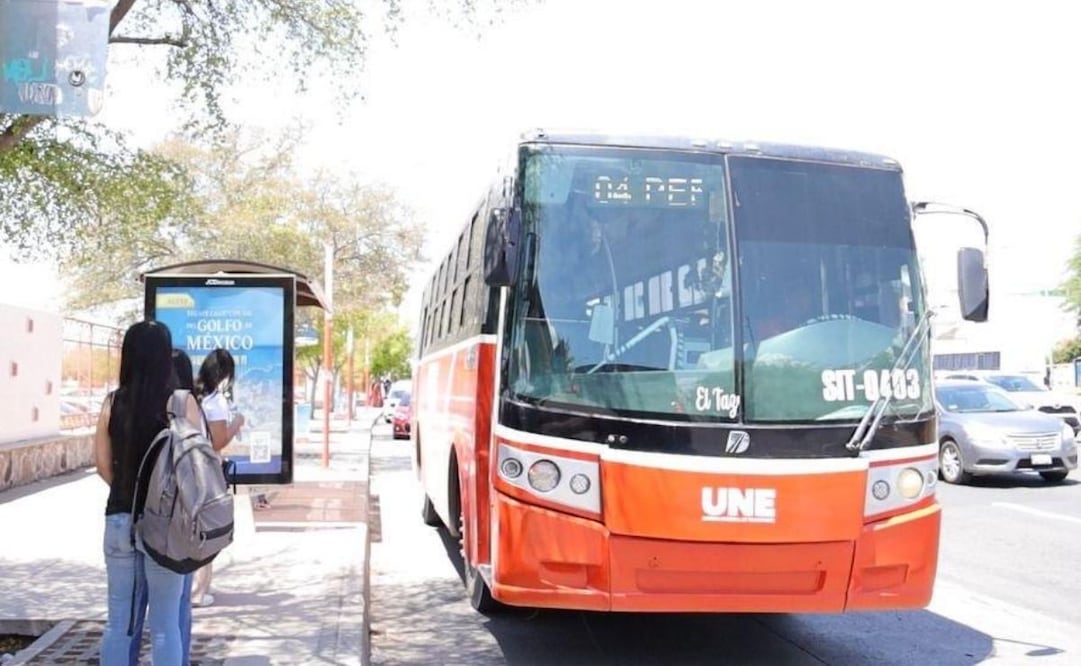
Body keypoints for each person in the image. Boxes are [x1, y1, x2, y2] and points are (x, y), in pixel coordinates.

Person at [95, 321, 196, 664]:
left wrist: (130, 492)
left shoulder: (113, 402)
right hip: (166, 527)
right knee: (166, 625)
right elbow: (196, 467)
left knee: (119, 621)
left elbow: (102, 465)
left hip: (120, 517)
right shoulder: (182, 403)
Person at [190, 348, 246, 608]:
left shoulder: (191, 394)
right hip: (207, 472)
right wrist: (237, 423)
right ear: (225, 375)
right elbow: (218, 441)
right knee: (207, 531)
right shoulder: (216, 401)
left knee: (186, 529)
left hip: (185, 468)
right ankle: (199, 592)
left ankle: (188, 589)